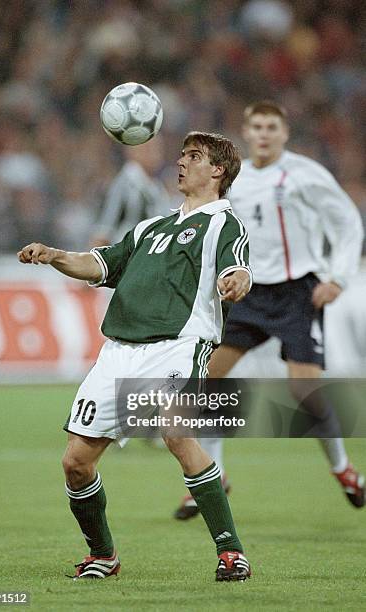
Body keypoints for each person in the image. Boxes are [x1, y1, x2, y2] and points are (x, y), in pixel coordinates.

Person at [18, 132, 253, 582]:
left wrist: (237, 280)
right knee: (75, 462)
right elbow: (100, 264)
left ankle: (230, 552)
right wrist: (54, 256)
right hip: (120, 352)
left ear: (217, 171)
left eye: (195, 157)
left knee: (176, 433)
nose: (182, 162)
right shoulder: (150, 228)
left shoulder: (224, 224)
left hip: (179, 347)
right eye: (183, 155)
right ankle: (103, 555)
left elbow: (236, 266)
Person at [174, 100, 365, 520]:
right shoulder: (232, 179)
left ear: (284, 133)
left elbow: (347, 222)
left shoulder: (305, 175)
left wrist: (338, 278)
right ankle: (215, 475)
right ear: (246, 131)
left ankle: (343, 468)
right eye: (256, 126)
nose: (263, 133)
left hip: (299, 292)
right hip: (248, 292)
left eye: (271, 127)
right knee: (211, 376)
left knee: (305, 391)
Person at [90, 136, 171, 248]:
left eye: (158, 148)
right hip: (127, 259)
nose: (155, 154)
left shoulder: (155, 187)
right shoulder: (125, 185)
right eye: (148, 148)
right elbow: (103, 231)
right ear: (132, 152)